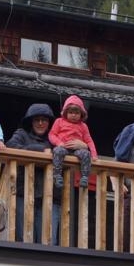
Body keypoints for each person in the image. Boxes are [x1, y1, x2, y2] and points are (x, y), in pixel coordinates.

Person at [47, 95, 98, 241]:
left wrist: (94, 154)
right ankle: (57, 175)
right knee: (57, 153)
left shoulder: (83, 126)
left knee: (85, 155)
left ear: (81, 114)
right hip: (63, 147)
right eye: (71, 112)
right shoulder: (59, 121)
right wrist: (59, 143)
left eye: (76, 112)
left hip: (77, 150)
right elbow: (52, 134)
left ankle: (84, 176)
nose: (74, 115)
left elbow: (89, 140)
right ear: (65, 112)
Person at [6, 102, 55, 242]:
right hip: (23, 193)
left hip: (48, 195)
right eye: (36, 120)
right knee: (23, 238)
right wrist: (41, 151)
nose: (40, 123)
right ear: (30, 122)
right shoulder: (21, 134)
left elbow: (66, 151)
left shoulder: (54, 139)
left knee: (47, 241)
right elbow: (11, 146)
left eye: (44, 120)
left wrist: (83, 145)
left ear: (49, 123)